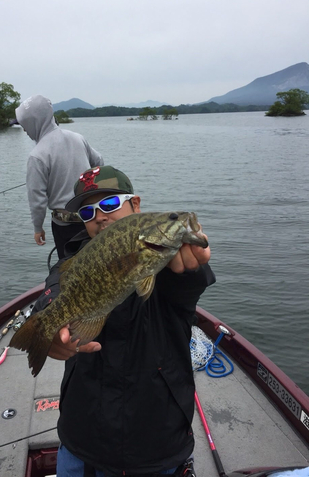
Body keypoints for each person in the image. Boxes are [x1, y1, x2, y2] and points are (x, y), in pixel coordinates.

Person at [32, 165, 216, 477]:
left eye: (109, 204)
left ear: (136, 204)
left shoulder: (165, 264)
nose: (99, 216)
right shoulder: (73, 258)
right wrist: (47, 324)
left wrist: (192, 267)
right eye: (88, 212)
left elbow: (187, 284)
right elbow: (54, 291)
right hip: (83, 442)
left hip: (157, 445)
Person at [14, 95, 104, 258]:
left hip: (65, 226)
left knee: (68, 270)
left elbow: (37, 199)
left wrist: (37, 228)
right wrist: (90, 185)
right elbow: (99, 162)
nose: (25, 130)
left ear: (34, 121)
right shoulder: (77, 138)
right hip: (91, 218)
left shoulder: (37, 155)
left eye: (25, 125)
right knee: (93, 264)